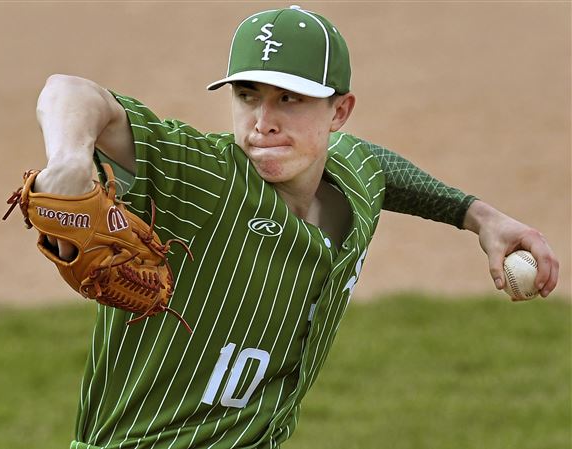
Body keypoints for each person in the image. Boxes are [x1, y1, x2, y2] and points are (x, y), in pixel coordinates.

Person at [32, 6, 558, 449]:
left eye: (290, 98)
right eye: (247, 96)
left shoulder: (353, 180)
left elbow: (373, 165)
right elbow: (70, 91)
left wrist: (479, 216)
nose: (263, 120)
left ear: (340, 111)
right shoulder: (203, 177)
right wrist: (71, 158)